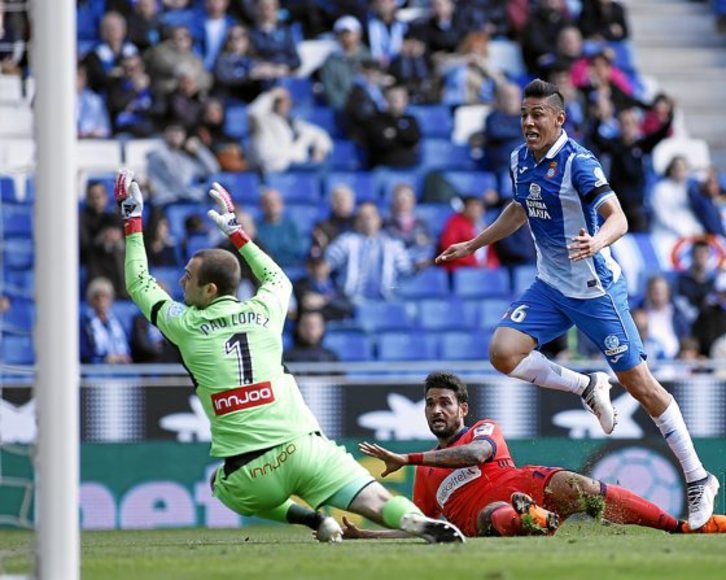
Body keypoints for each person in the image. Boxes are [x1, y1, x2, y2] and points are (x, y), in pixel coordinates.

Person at [114, 169, 464, 544]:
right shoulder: (265, 311)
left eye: (188, 276)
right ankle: (414, 520)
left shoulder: (184, 324)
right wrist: (237, 233)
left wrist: (133, 218)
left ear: (210, 290)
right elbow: (278, 278)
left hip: (251, 469)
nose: (181, 281)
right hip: (305, 447)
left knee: (220, 484)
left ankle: (313, 520)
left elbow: (139, 282)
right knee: (376, 500)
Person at [435, 78, 719, 530]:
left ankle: (699, 476)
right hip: (550, 286)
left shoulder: (578, 163)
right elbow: (520, 208)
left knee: (641, 386)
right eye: (524, 114)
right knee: (503, 352)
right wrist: (474, 243)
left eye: (537, 115)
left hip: (594, 289)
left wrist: (597, 242)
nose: (528, 122)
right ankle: (587, 386)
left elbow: (618, 218)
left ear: (559, 118)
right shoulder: (519, 159)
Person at [343, 371, 726, 539]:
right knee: (495, 515)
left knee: (581, 487)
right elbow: (422, 526)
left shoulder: (483, 430)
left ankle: (679, 528)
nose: (436, 410)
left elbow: (475, 454)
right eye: (430, 404)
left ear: (463, 409)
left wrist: (408, 459)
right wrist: (366, 535)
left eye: (445, 402)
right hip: (487, 516)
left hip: (527, 485)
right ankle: (534, 521)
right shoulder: (426, 476)